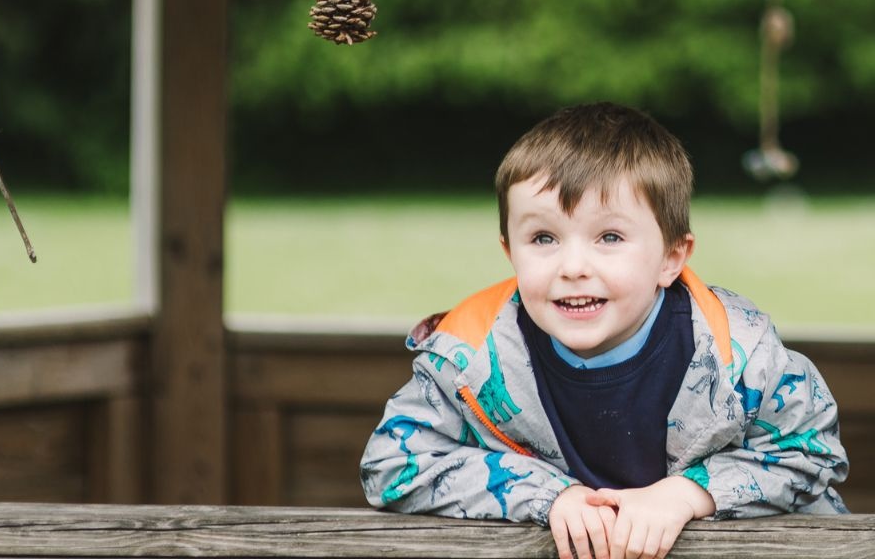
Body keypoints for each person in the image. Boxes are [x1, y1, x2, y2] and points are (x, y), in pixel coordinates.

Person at [361, 102, 848, 559]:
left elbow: (813, 452)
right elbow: (393, 463)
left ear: (671, 258)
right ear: (510, 251)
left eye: (609, 237)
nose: (573, 266)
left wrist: (689, 493)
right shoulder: (467, 357)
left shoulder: (738, 355)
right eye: (543, 238)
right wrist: (547, 495)